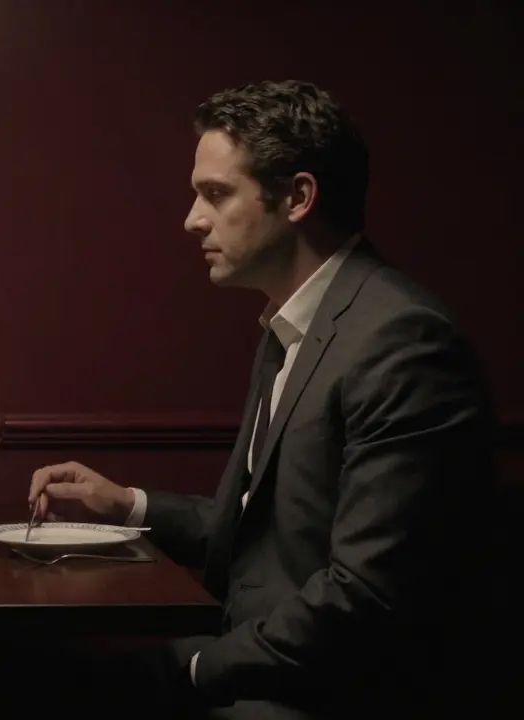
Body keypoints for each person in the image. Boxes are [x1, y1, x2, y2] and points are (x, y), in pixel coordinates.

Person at [26, 80, 495, 718]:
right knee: (21, 673)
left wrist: (197, 668)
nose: (193, 219)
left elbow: (366, 598)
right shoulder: (292, 323)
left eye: (217, 194)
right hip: (265, 660)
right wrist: (126, 504)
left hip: (324, 695)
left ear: (298, 197)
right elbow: (264, 534)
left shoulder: (402, 341)